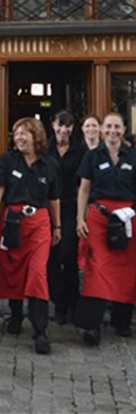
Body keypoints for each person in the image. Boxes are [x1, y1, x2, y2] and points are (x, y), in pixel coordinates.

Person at [0, 117, 61, 355]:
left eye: (24, 133)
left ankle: (40, 330)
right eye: (16, 133)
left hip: (39, 223)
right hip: (13, 221)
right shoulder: (7, 160)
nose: (19, 137)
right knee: (12, 270)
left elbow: (53, 198)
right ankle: (15, 316)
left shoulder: (50, 164)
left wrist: (57, 227)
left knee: (37, 273)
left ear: (36, 136)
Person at [75, 112, 136, 344]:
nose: (113, 131)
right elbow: (84, 189)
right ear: (101, 129)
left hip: (128, 219)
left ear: (123, 129)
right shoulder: (92, 156)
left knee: (127, 271)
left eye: (117, 127)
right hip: (99, 218)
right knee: (97, 267)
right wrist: (80, 218)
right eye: (108, 126)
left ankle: (122, 322)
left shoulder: (133, 156)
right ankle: (92, 326)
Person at [47, 111, 85, 325]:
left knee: (68, 256)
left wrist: (82, 215)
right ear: (53, 125)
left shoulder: (80, 151)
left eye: (68, 126)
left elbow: (83, 184)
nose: (64, 130)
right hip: (49, 207)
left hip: (70, 207)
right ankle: (58, 304)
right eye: (60, 125)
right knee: (51, 258)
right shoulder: (45, 149)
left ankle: (73, 302)